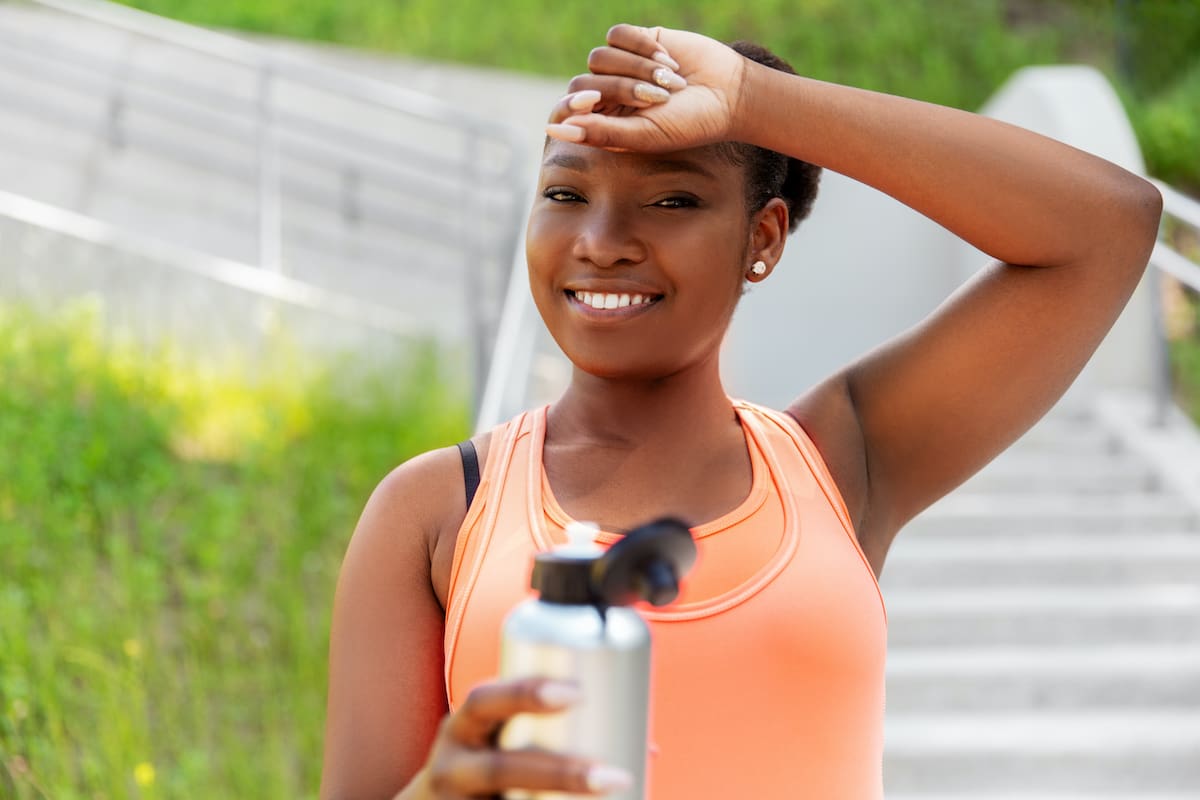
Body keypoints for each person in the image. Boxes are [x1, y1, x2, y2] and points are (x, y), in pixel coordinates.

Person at [318, 23, 1162, 800]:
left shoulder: (842, 460)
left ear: (763, 237)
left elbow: (1108, 228)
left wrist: (761, 104)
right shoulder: (435, 512)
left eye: (673, 199)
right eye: (567, 195)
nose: (601, 239)